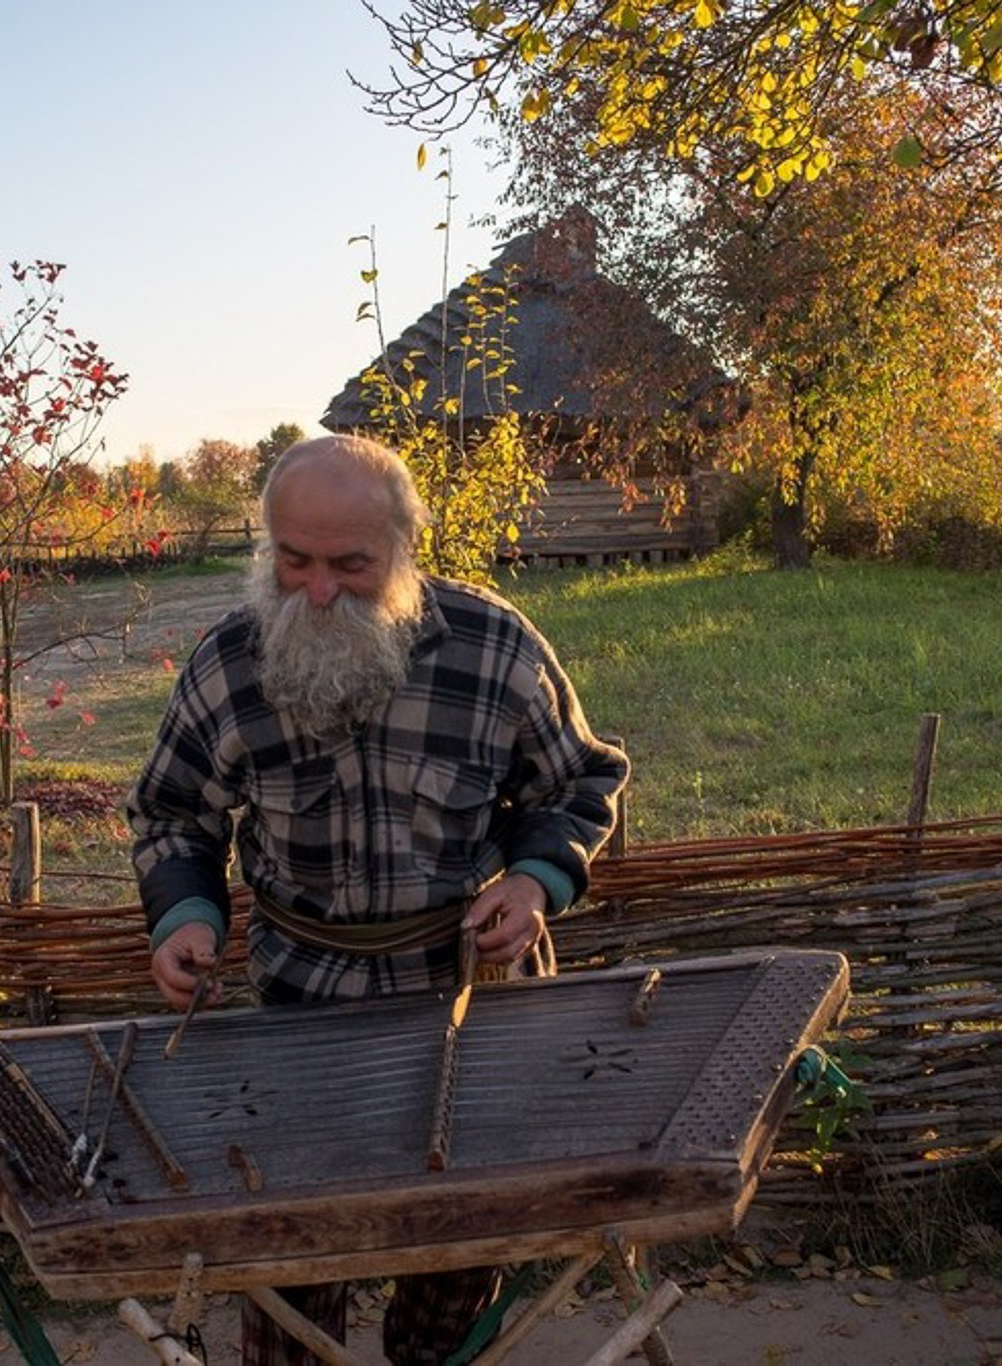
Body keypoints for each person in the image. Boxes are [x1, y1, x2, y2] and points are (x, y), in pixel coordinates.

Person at [126, 433, 630, 1365]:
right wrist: (187, 916)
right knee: (291, 1269)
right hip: (297, 1014)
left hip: (467, 1002)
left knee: (451, 1260)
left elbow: (579, 784)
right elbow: (169, 814)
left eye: (351, 565)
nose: (317, 592)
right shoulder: (227, 664)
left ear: (405, 547)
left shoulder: (495, 647)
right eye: (294, 560)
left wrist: (532, 882)